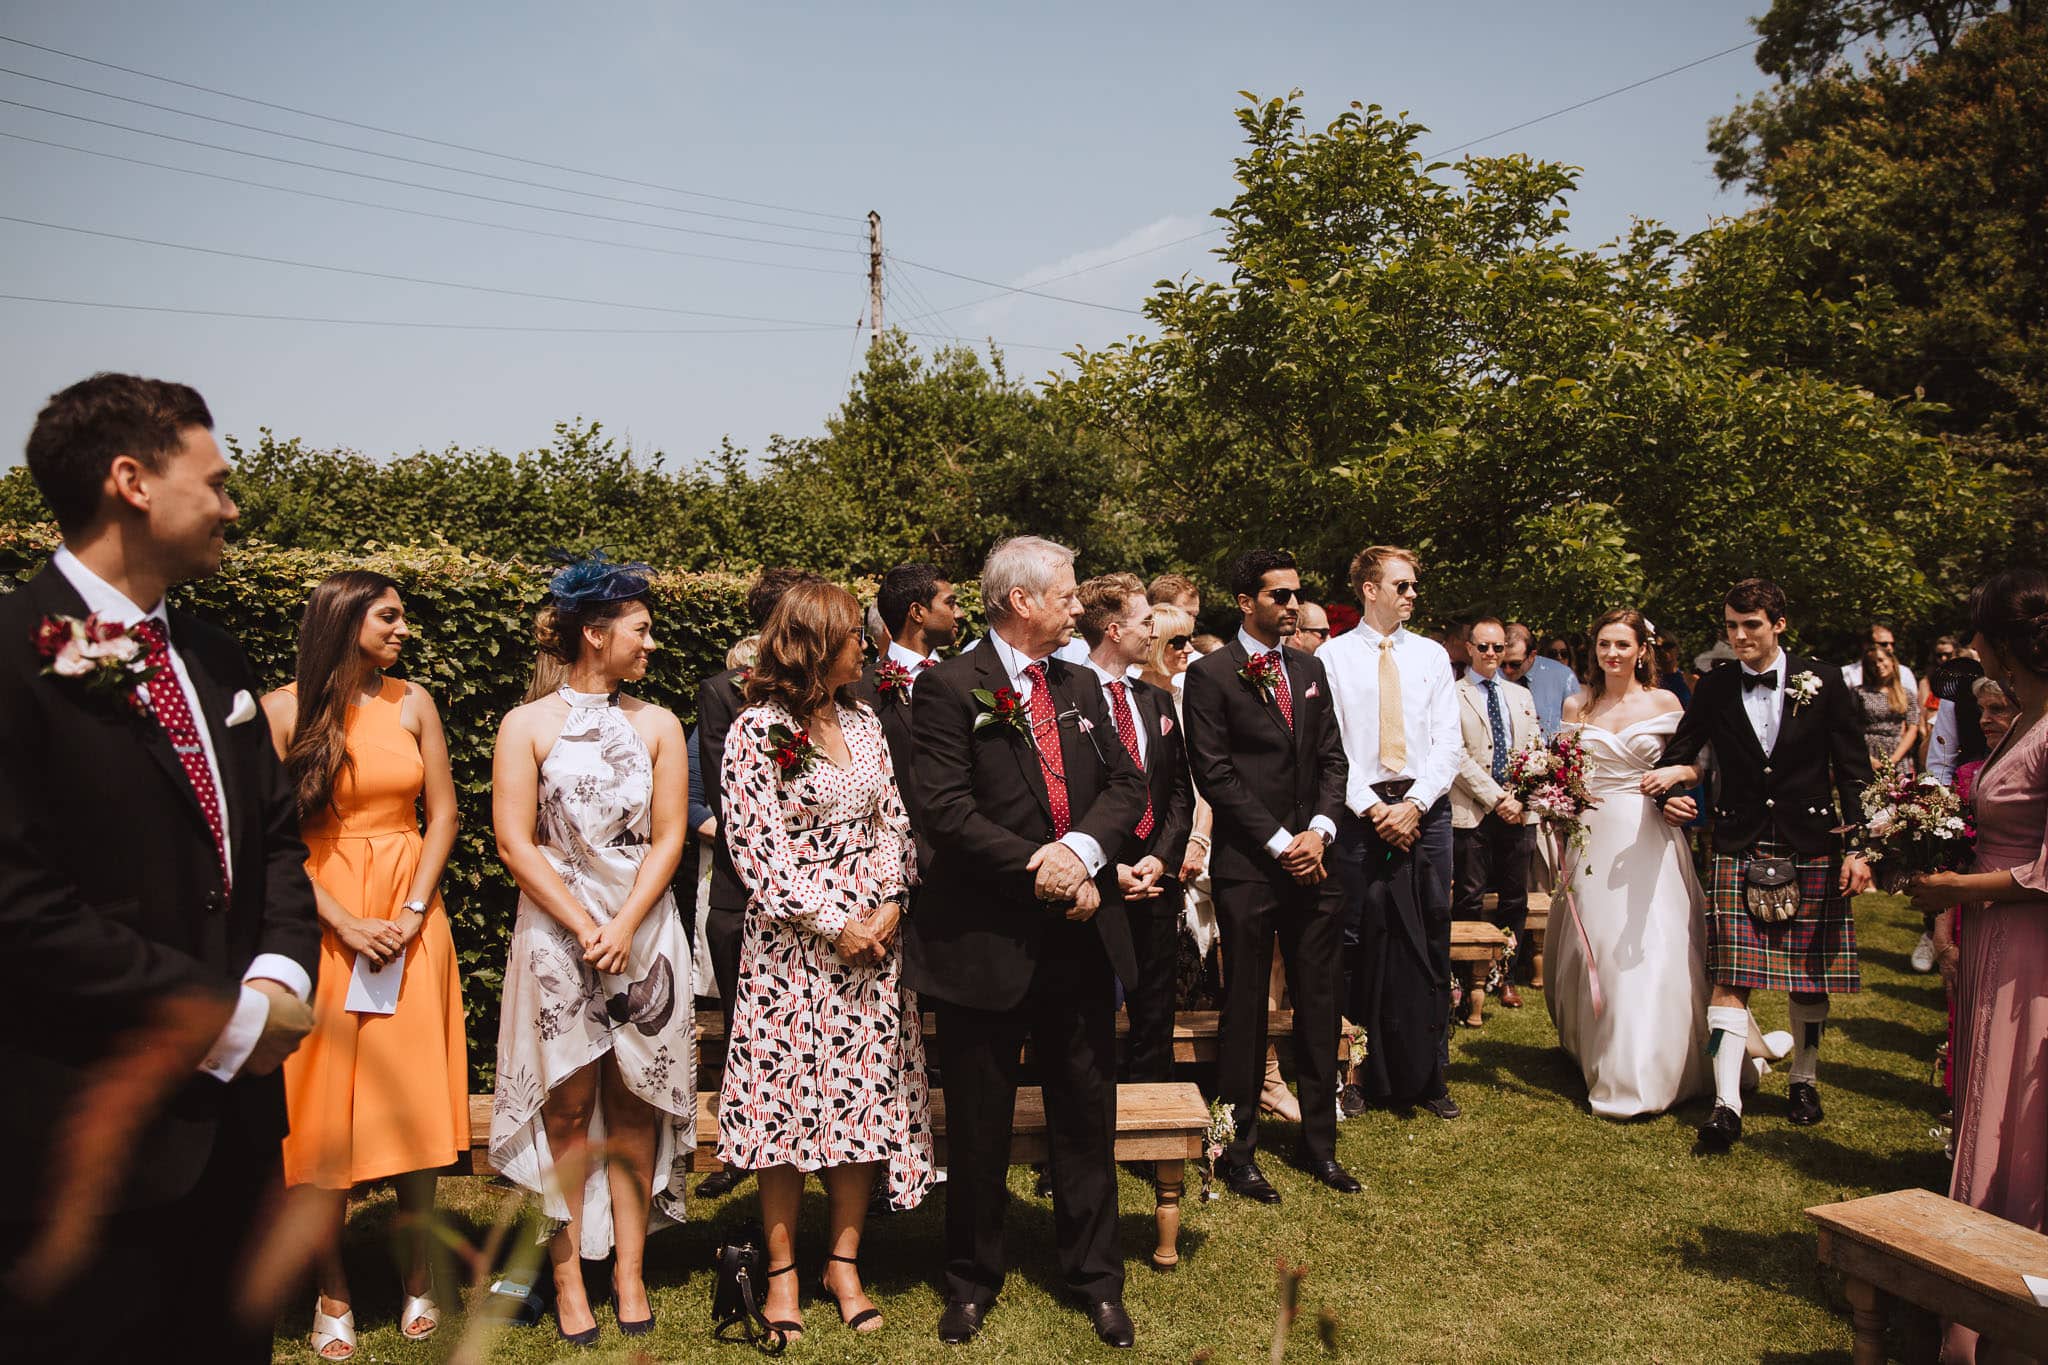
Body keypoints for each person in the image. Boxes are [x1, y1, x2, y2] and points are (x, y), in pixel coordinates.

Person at [0, 373, 319, 1365]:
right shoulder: (13, 655)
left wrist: (277, 977)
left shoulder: (218, 660)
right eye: (215, 481)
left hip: (235, 1143)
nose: (231, 504)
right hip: (79, 1151)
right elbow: (18, 906)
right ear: (131, 481)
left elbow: (272, 846)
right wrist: (222, 1019)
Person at [903, 535, 1148, 1349]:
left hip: (1081, 934)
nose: (1079, 606)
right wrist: (1038, 867)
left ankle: (1097, 1278)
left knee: (1087, 1113)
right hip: (986, 940)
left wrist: (1082, 855)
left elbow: (1127, 784)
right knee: (979, 1123)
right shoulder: (946, 687)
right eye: (1068, 594)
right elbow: (943, 808)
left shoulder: (1081, 682)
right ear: (1021, 601)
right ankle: (971, 1279)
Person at [719, 579, 933, 1340]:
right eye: (855, 636)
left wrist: (891, 905)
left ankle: (844, 1262)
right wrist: (833, 920)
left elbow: (895, 824)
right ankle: (780, 1274)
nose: (868, 648)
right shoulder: (755, 731)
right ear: (815, 643)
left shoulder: (866, 721)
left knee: (862, 1102)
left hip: (874, 948)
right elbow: (757, 850)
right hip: (792, 952)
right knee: (787, 1108)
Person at [489, 556, 695, 1345]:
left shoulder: (659, 724)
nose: (651, 643)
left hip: (643, 933)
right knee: (570, 1105)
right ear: (595, 633)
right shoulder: (526, 724)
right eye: (640, 630)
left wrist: (625, 923)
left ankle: (632, 1273)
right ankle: (571, 1279)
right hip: (555, 934)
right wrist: (581, 924)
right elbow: (515, 840)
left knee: (637, 1103)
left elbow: (670, 836)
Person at [261, 572, 467, 1358]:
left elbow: (443, 811)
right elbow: (270, 840)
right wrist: (344, 921)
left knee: (410, 1100)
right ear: (345, 621)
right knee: (319, 1117)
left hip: (411, 922)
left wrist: (412, 911)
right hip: (319, 921)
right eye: (389, 616)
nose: (403, 629)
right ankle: (331, 1288)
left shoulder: (412, 702)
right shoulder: (283, 711)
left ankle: (417, 1273)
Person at [1646, 578, 1873, 1152]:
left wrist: (1863, 847)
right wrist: (1664, 793)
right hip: (1738, 839)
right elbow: (1680, 754)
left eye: (1751, 625)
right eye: (1731, 626)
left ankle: (1803, 1079)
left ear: (1779, 624)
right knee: (1732, 975)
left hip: (1812, 839)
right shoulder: (1716, 686)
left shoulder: (1824, 681)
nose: (1740, 636)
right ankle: (1727, 1106)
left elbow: (1853, 771)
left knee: (1808, 972)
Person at [1906, 569, 2048, 1365]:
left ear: (1997, 641)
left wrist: (1954, 885)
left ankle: (2015, 1320)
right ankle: (1975, 1301)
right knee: (1985, 1102)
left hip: (2033, 950)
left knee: (2020, 1117)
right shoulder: (2024, 716)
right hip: (1995, 940)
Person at [1182, 551, 1355, 1197]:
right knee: (1247, 1007)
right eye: (1278, 594)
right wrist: (1283, 841)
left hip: (1316, 861)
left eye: (1296, 594)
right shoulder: (1211, 673)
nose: (1291, 604)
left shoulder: (1310, 668)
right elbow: (1215, 770)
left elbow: (1334, 759)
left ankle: (1320, 1144)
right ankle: (1238, 1148)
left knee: (1318, 1002)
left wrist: (1321, 831)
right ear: (1245, 599)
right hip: (1250, 865)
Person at [1548, 611, 1711, 1117]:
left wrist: (1674, 778)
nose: (1612, 653)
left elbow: (1697, 760)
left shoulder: (1664, 701)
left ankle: (1643, 1069)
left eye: (1622, 644)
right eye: (1603, 644)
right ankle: (1597, 1050)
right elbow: (1562, 771)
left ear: (1643, 649)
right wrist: (1550, 795)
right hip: (1591, 838)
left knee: (1646, 949)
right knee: (1596, 946)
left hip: (1647, 833)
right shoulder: (1578, 703)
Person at [1321, 545, 1462, 1119]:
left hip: (1425, 809)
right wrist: (1372, 809)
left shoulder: (1430, 656)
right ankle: (1354, 1071)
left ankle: (1429, 1073)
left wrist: (1417, 804)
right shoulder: (1331, 658)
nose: (1412, 595)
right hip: (1361, 812)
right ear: (1369, 590)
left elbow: (1449, 742)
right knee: (1356, 939)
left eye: (1413, 585)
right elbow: (1330, 747)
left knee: (1429, 935)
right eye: (1400, 585)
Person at [694, 568, 818, 1199]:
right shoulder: (724, 693)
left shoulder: (847, 703)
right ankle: (747, 1149)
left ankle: (843, 1158)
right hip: (746, 890)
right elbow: (725, 787)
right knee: (753, 1028)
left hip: (831, 890)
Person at [1077, 575, 1194, 1086]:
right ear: (1113, 628)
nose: (1155, 631)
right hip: (1100, 879)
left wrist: (1163, 858)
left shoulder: (1156, 700)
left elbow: (1177, 792)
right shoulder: (1070, 695)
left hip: (1154, 878)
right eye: (1147, 621)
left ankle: (1154, 1117)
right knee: (1089, 1010)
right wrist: (1110, 865)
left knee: (1156, 1010)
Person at [1450, 618, 1540, 1016]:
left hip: (1518, 812)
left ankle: (1502, 976)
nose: (1491, 654)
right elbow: (1454, 753)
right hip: (1472, 810)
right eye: (1483, 647)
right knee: (1468, 896)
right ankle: (1463, 978)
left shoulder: (1520, 696)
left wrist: (1518, 797)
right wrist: (1494, 797)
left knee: (1514, 897)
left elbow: (1535, 749)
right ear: (1469, 648)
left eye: (1498, 648)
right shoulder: (1454, 694)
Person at [856, 563, 959, 846]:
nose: (959, 613)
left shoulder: (967, 680)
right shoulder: (859, 689)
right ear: (917, 612)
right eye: (950, 603)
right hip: (891, 850)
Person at [1851, 638, 1922, 773]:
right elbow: (1852, 728)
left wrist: (1894, 760)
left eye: (1881, 660)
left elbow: (1913, 728)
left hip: (1897, 753)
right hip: (1867, 752)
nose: (1878, 665)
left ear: (1892, 662)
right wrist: (1869, 759)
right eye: (1872, 663)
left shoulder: (1906, 694)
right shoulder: (1858, 692)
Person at [1504, 622, 1581, 740]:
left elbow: (1576, 725)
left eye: (1515, 664)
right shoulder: (1492, 676)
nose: (1507, 670)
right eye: (1502, 664)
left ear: (1532, 655)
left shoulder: (1563, 675)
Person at [1840, 620, 1917, 697]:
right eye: (1884, 644)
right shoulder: (1847, 673)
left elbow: (1913, 704)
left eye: (1892, 644)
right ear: (1866, 645)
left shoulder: (1904, 673)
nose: (1890, 648)